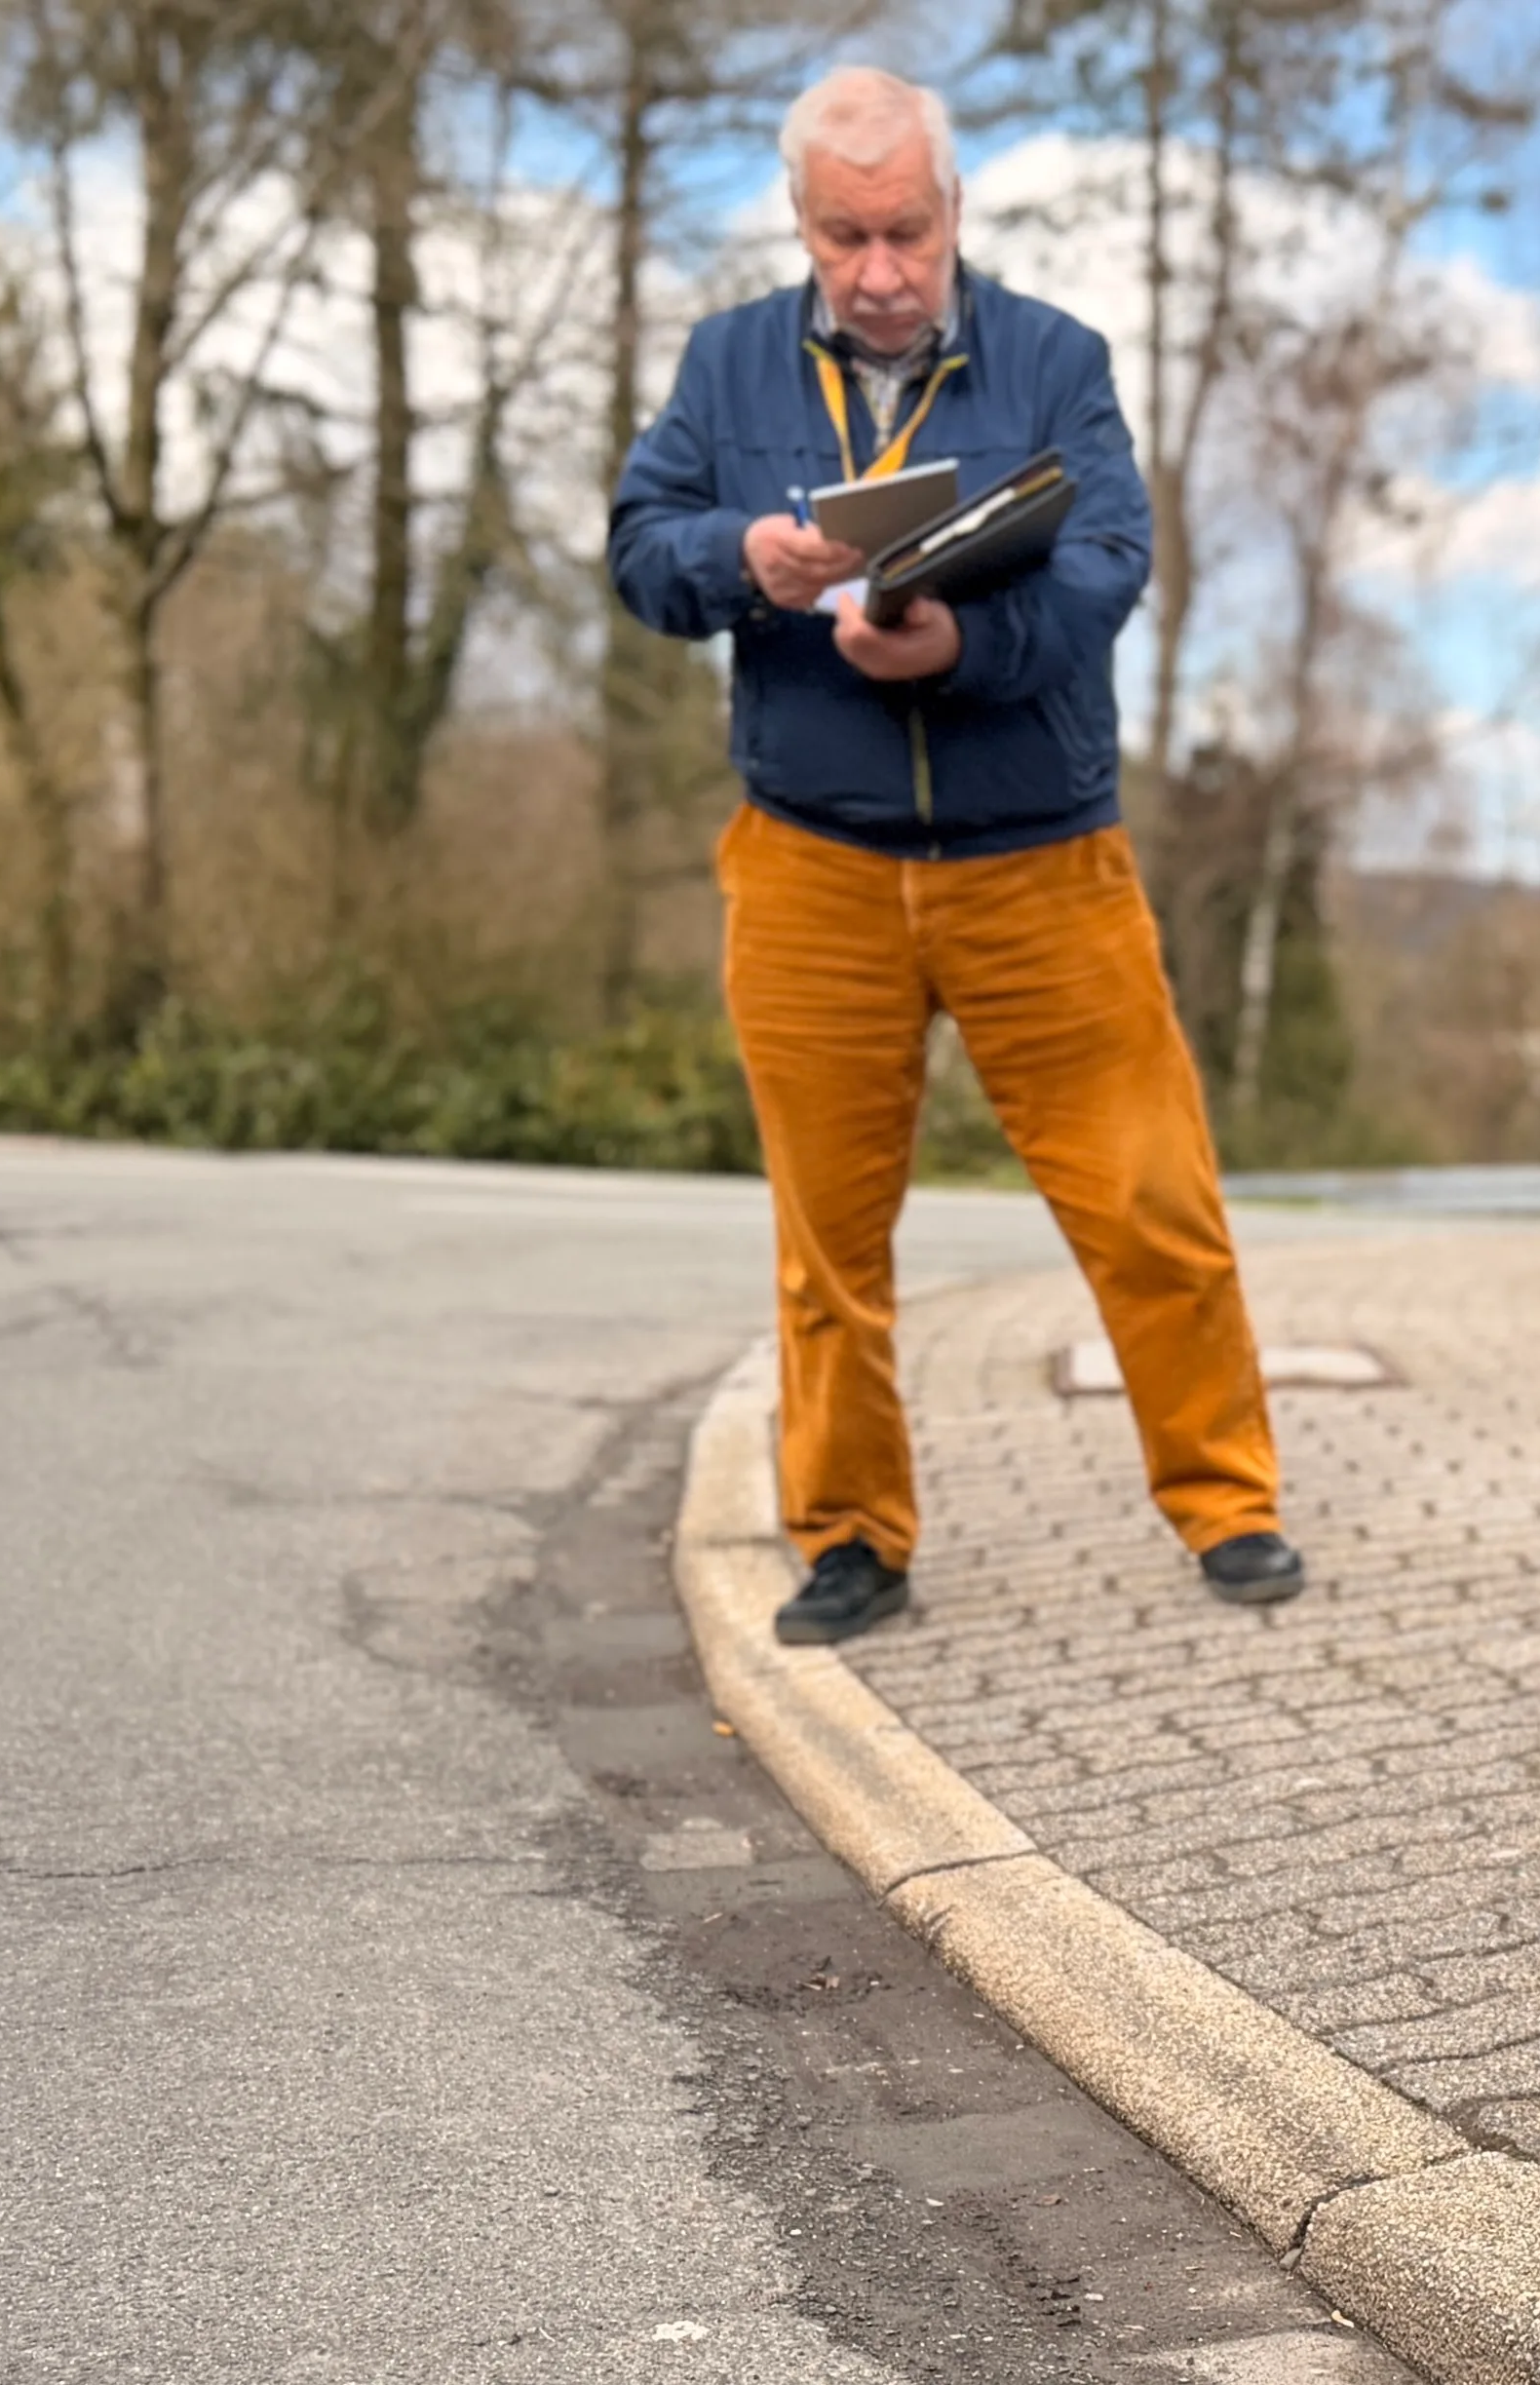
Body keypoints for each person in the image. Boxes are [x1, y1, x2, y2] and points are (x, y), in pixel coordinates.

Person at [610, 68, 1300, 1646]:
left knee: (1150, 1197)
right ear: (800, 223)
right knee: (826, 1243)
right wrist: (741, 556)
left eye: (904, 232)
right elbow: (640, 552)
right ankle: (850, 1536)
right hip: (810, 864)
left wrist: (959, 648)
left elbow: (1108, 565)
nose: (877, 270)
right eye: (842, 236)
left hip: (1041, 863)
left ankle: (1228, 1500)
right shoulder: (725, 365)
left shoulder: (1056, 359)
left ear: (953, 210)